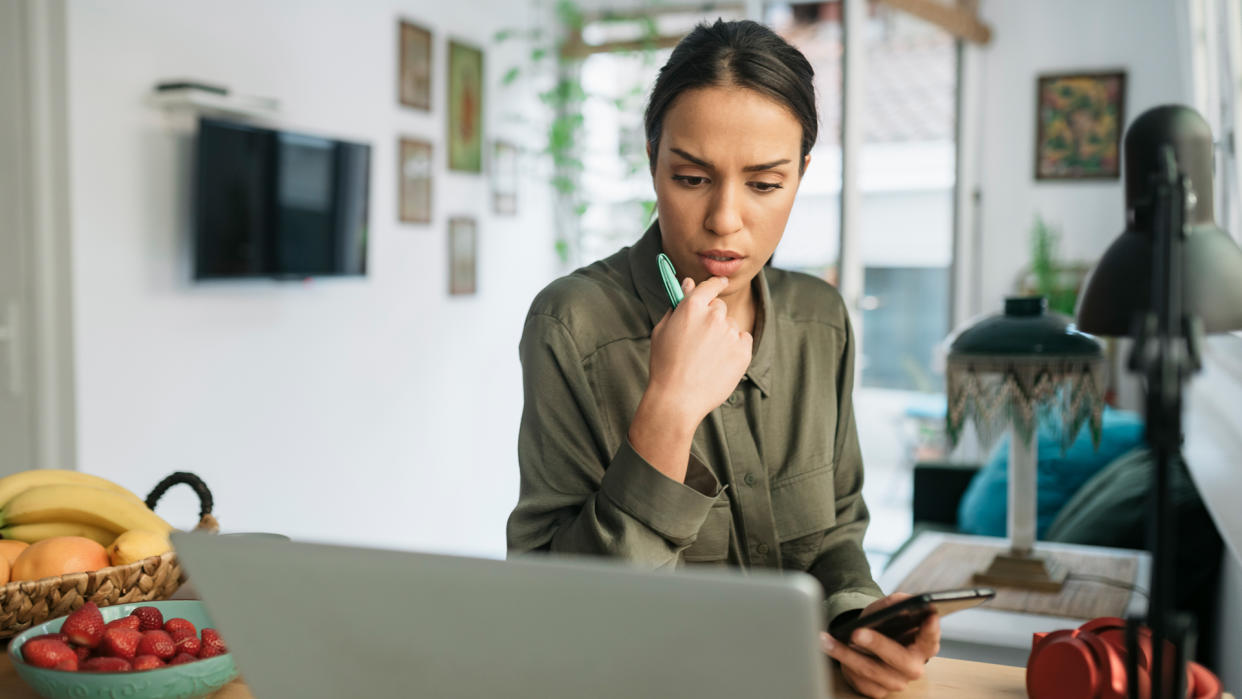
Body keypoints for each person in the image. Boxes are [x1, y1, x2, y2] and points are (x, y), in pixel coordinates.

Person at [506, 18, 940, 698]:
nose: (725, 219)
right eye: (691, 177)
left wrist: (863, 620)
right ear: (653, 160)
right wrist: (669, 410)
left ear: (801, 174)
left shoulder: (819, 320)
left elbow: (836, 533)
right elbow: (551, 613)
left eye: (765, 184)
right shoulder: (573, 324)